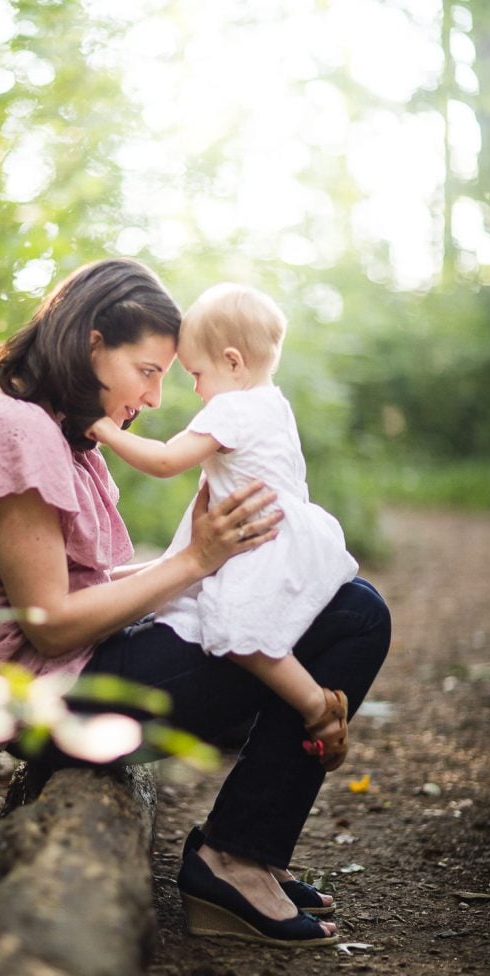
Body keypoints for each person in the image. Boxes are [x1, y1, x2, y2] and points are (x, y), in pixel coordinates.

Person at [0, 257, 391, 950]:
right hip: (46, 697)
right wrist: (195, 562)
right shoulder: (13, 427)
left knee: (345, 605)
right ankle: (233, 859)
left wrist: (193, 568)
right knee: (354, 616)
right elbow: (48, 624)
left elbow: (80, 589)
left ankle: (246, 853)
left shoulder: (44, 425)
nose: (158, 398)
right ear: (93, 342)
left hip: (72, 675)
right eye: (150, 370)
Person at [87, 282, 358, 771]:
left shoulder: (232, 408)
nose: (194, 388)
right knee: (234, 620)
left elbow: (168, 460)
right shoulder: (272, 402)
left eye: (196, 373)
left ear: (233, 362)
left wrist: (102, 428)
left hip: (262, 543)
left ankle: (318, 708)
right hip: (289, 534)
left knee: (240, 633)